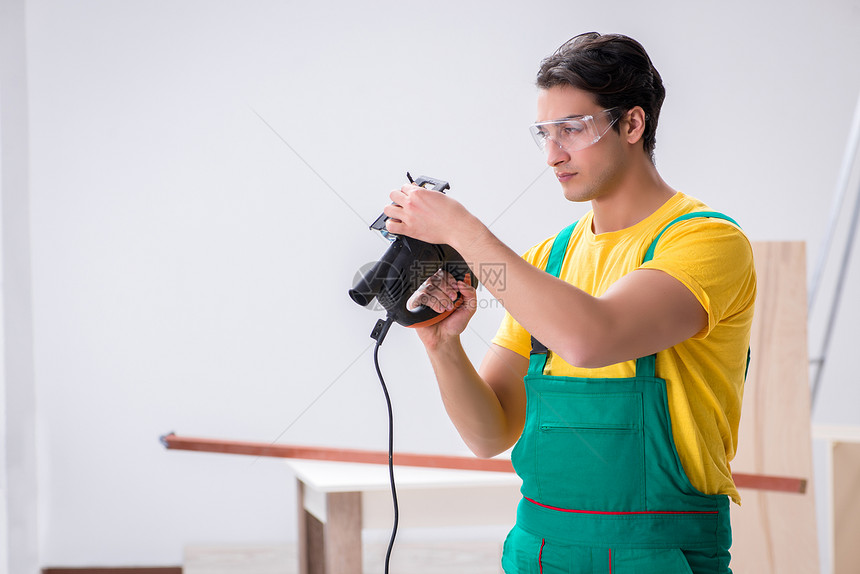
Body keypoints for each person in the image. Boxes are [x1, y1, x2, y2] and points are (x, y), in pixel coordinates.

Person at [382, 32, 755, 574]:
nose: (554, 154)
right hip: (540, 547)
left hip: (656, 550)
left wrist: (461, 231)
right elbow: (490, 433)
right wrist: (442, 347)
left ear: (632, 124)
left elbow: (592, 338)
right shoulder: (549, 262)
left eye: (573, 130)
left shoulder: (705, 242)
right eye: (545, 134)